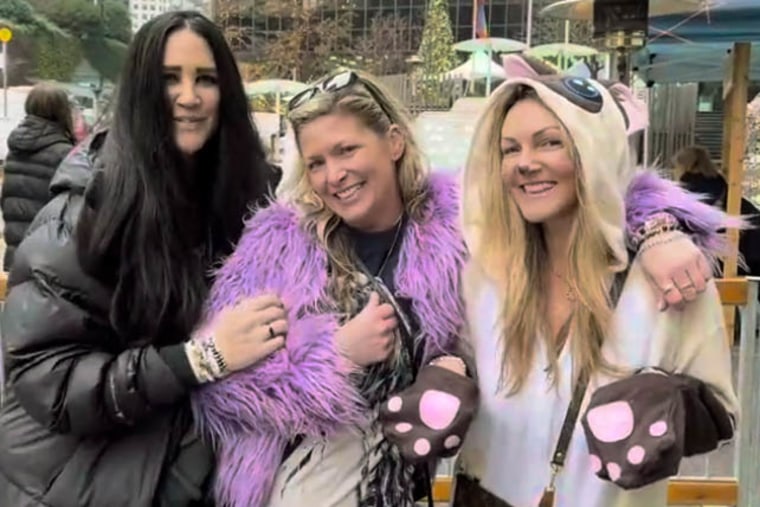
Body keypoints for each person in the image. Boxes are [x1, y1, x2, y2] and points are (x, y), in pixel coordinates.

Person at [189, 67, 737, 507]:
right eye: (316, 162)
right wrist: (333, 358)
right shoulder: (277, 248)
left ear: (394, 143)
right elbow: (226, 391)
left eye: (348, 150)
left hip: (408, 491)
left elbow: (598, 190)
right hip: (303, 488)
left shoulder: (459, 230)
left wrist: (661, 227)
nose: (334, 174)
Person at [0, 11, 281, 507]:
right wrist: (200, 358)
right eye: (169, 79)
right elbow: (50, 379)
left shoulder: (246, 200)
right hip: (85, 475)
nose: (189, 97)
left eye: (206, 79)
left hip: (190, 457)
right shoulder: (85, 210)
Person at [453, 68, 738, 506]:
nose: (525, 162)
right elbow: (468, 372)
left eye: (550, 141)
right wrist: (445, 379)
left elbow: (722, 411)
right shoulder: (483, 275)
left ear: (595, 150)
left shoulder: (669, 279)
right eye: (510, 149)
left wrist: (670, 403)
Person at [1, 82, 76, 269]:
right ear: (62, 111)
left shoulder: (14, 150)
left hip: (15, 257)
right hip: (47, 261)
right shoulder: (65, 154)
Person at [674, 144, 760, 275]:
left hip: (699, 266)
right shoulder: (725, 188)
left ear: (684, 166)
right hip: (738, 260)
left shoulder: (685, 192)